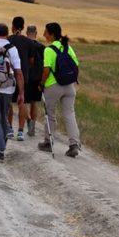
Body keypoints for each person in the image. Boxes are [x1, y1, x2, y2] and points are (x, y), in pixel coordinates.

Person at [38, 22, 81, 157]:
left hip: (53, 86)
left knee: (50, 114)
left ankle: (48, 142)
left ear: (51, 34)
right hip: (69, 86)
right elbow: (76, 65)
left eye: (45, 32)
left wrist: (41, 83)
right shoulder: (68, 48)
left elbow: (46, 70)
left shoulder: (49, 50)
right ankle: (74, 144)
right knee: (69, 114)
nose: (44, 34)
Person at [0, 23, 24, 163]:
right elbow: (18, 72)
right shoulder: (12, 49)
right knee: (4, 116)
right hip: (8, 88)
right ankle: (3, 141)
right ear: (7, 34)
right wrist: (21, 93)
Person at [7, 16, 33, 141]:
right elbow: (31, 60)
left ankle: (10, 129)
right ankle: (21, 131)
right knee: (22, 103)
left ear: (12, 26)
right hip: (24, 75)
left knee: (9, 103)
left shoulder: (8, 40)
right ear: (23, 27)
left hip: (10, 75)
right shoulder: (29, 42)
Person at [25, 25, 45, 136]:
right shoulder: (42, 47)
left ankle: (28, 120)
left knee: (24, 102)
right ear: (36, 33)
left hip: (27, 77)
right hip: (38, 78)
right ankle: (32, 124)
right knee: (34, 102)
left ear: (27, 32)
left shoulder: (25, 45)